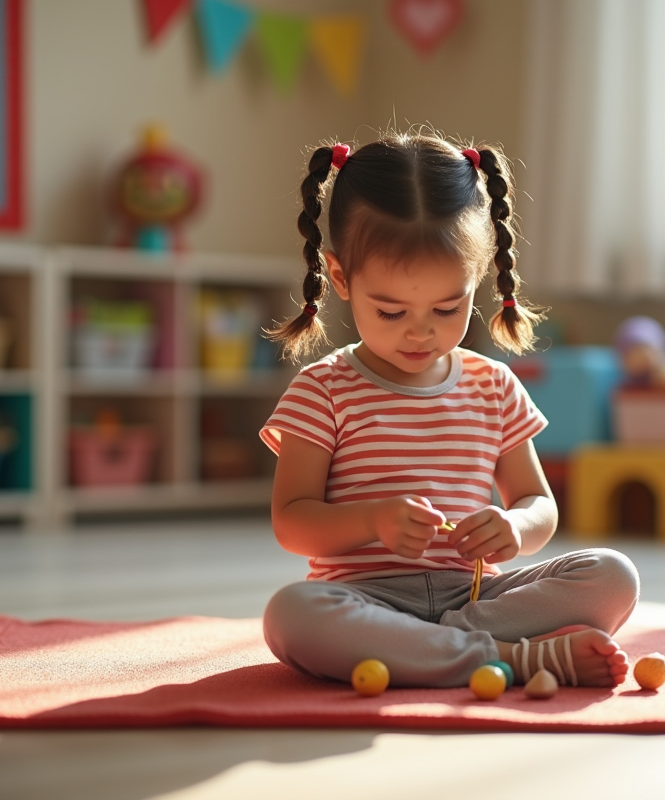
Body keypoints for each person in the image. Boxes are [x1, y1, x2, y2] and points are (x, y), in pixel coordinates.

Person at [258, 130, 639, 689]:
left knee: (612, 575)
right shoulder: (324, 390)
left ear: (477, 278)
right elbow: (293, 522)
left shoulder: (493, 385)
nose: (420, 332)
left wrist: (514, 525)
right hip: (367, 601)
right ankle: (516, 658)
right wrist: (370, 521)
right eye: (390, 312)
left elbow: (538, 503)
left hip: (479, 595)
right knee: (292, 615)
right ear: (341, 278)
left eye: (446, 307)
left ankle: (453, 646)